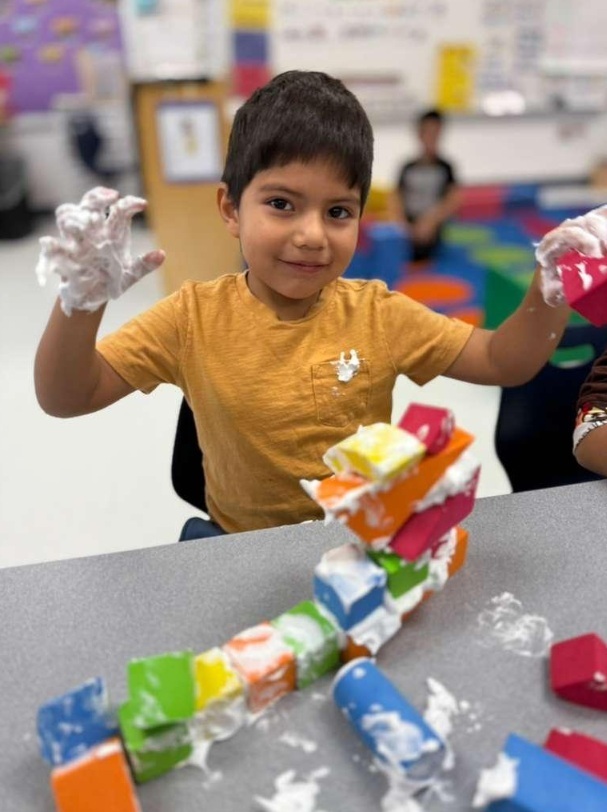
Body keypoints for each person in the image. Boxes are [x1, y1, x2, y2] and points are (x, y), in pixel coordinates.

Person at [35, 70, 573, 542]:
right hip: (240, 549)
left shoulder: (379, 314)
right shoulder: (191, 317)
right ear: (230, 208)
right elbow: (66, 396)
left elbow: (505, 361)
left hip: (361, 543)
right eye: (281, 204)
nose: (312, 235)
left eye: (338, 212)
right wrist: (81, 302)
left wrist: (554, 282)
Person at [392, 108, 460, 267]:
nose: (431, 138)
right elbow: (396, 198)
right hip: (408, 227)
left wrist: (430, 222)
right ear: (419, 134)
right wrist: (403, 225)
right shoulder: (407, 167)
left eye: (435, 133)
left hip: (433, 228)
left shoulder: (446, 168)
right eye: (427, 132)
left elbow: (453, 199)